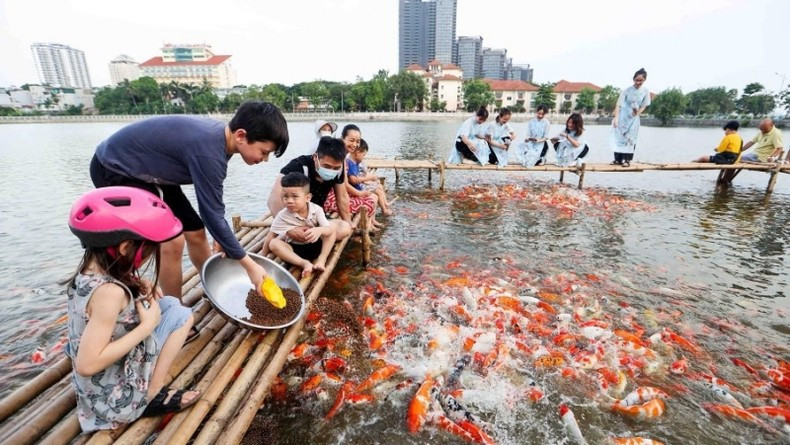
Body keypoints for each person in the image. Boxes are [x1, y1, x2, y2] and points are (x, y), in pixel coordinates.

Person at [90, 101, 289, 303]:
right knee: (172, 240)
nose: (264, 159)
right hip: (115, 167)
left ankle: (215, 287)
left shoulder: (222, 142)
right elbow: (211, 212)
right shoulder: (209, 151)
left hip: (154, 173)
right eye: (264, 152)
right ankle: (173, 307)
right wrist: (250, 265)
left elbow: (213, 201)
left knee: (194, 230)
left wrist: (221, 234)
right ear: (241, 136)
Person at [65, 187, 199, 432]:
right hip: (113, 400)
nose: (149, 256)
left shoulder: (88, 272)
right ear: (126, 247)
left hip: (100, 382)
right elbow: (86, 364)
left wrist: (138, 283)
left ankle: (147, 390)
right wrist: (147, 326)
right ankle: (149, 397)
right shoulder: (110, 293)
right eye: (148, 249)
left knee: (169, 304)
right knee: (181, 315)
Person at [269, 137, 354, 242]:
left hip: (316, 218)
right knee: (278, 240)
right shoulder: (298, 166)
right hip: (294, 220)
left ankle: (313, 239)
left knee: (344, 228)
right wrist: (290, 229)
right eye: (326, 166)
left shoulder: (339, 171)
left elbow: (342, 197)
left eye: (336, 168)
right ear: (315, 157)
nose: (331, 170)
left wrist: (349, 224)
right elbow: (274, 199)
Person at [263, 173, 336, 277]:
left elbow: (328, 230)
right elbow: (271, 235)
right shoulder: (283, 215)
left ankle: (321, 260)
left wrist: (319, 230)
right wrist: (262, 257)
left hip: (316, 245)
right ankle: (304, 263)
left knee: (331, 227)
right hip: (295, 251)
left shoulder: (316, 210)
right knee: (274, 243)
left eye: (295, 196)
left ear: (307, 197)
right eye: (285, 197)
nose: (289, 201)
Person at [323, 124, 382, 228]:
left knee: (371, 198)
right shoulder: (338, 156)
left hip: (339, 193)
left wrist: (361, 193)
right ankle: (365, 228)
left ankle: (369, 226)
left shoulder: (342, 156)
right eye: (351, 140)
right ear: (342, 138)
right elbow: (345, 185)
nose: (354, 144)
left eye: (358, 141)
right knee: (370, 201)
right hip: (331, 198)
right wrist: (360, 193)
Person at [610, 68, 651, 168]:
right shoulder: (627, 90)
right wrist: (616, 118)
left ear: (644, 80)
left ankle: (627, 159)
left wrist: (637, 113)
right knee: (619, 137)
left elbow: (644, 105)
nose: (638, 82)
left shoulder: (646, 91)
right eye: (636, 80)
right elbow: (618, 104)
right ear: (633, 79)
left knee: (630, 138)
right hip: (623, 115)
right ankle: (617, 159)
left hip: (633, 118)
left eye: (640, 80)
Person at [348, 138, 392, 216]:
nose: (363, 157)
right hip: (357, 189)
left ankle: (385, 204)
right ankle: (384, 210)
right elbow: (353, 180)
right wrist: (369, 179)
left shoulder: (355, 162)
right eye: (363, 155)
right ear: (357, 153)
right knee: (377, 192)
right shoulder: (351, 163)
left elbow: (359, 176)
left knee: (378, 187)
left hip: (359, 187)